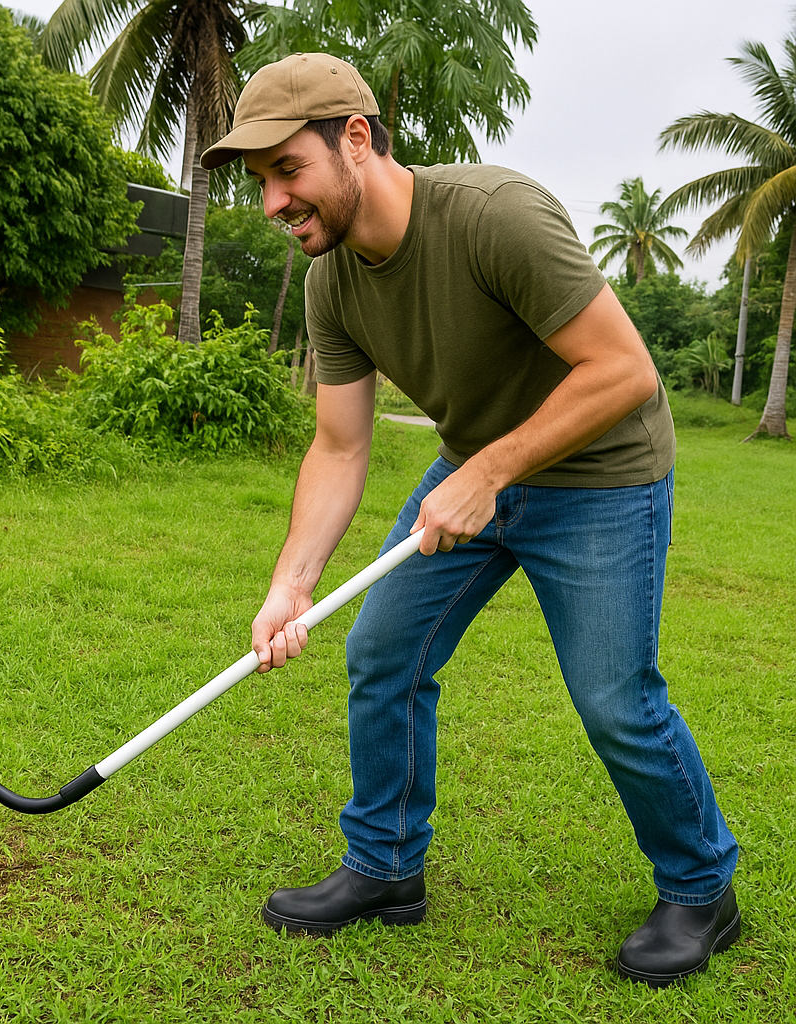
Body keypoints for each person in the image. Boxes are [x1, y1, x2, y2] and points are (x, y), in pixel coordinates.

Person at [199, 52, 740, 988]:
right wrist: (290, 585)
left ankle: (701, 887)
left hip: (603, 474)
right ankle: (385, 869)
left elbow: (624, 372)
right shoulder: (336, 283)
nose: (272, 202)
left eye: (287, 171)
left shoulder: (495, 216)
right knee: (382, 654)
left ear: (355, 140)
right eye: (260, 182)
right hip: (474, 474)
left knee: (617, 700)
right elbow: (338, 446)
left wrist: (490, 469)